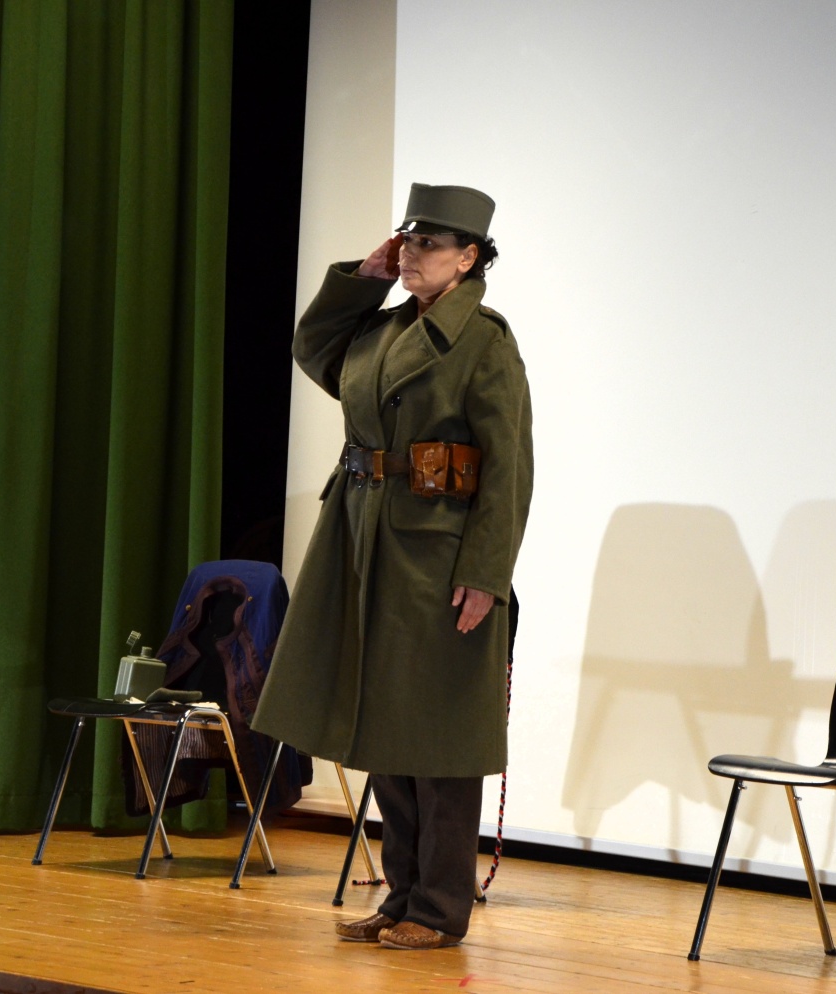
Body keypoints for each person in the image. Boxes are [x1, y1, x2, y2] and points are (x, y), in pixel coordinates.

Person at [251, 183, 533, 950]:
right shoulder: (380, 331)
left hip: (437, 553)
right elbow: (314, 349)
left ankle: (438, 908)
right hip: (363, 538)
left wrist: (486, 573)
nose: (411, 254)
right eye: (406, 241)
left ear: (468, 257)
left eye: (429, 245)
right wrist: (362, 281)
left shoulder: (484, 340)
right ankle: (401, 895)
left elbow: (510, 467)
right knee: (384, 726)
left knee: (439, 738)